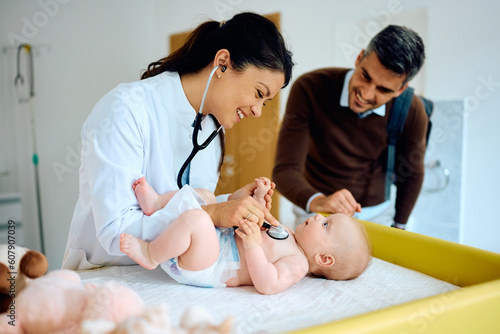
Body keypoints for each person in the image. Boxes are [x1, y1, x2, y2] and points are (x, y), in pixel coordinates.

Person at [62, 12, 294, 270]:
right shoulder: (126, 109)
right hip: (106, 276)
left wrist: (226, 203)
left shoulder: (212, 130)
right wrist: (213, 214)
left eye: (266, 102)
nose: (258, 111)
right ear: (223, 62)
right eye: (259, 93)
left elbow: (182, 204)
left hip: (171, 281)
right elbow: (115, 231)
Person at [273, 25, 426, 230]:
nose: (367, 94)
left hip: (376, 217)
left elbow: (413, 174)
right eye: (365, 76)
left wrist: (399, 227)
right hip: (316, 212)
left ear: (401, 89)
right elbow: (285, 171)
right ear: (359, 57)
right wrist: (320, 202)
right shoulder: (310, 88)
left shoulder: (412, 110)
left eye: (383, 89)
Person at [120, 176, 371, 294]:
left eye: (326, 225)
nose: (318, 216)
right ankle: (158, 204)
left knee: (198, 219)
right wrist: (258, 200)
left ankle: (151, 254)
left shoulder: (298, 264)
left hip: (210, 265)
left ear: (324, 258)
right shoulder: (289, 235)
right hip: (216, 242)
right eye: (325, 217)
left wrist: (252, 246)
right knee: (206, 197)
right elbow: (256, 221)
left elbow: (268, 284)